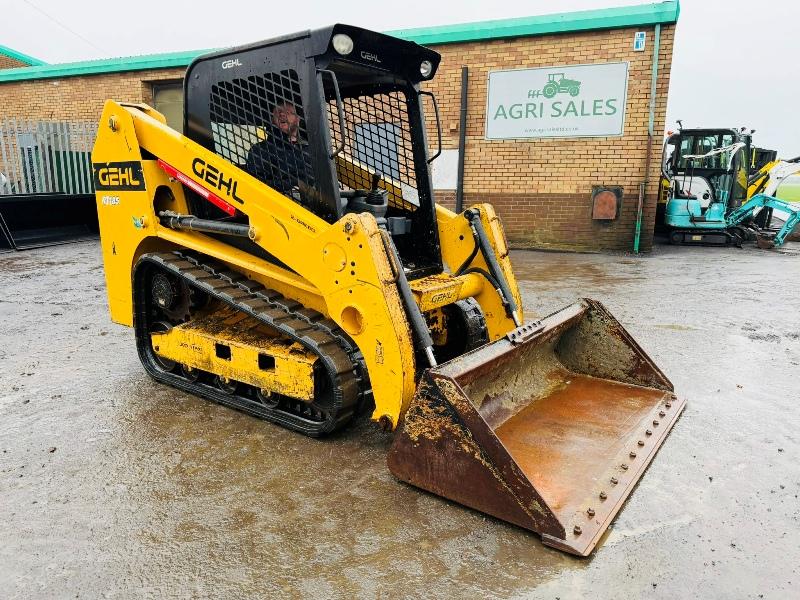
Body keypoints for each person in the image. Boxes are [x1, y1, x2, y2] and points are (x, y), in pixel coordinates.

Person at [245, 101, 312, 197]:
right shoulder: (260, 150)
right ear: (273, 120)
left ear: (298, 119)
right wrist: (293, 183)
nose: (281, 114)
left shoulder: (311, 150)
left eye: (287, 112)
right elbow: (258, 184)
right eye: (277, 112)